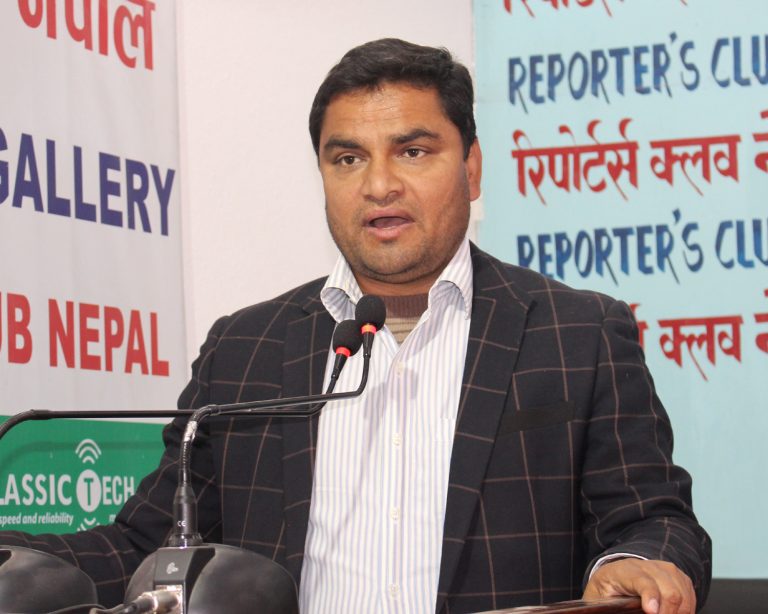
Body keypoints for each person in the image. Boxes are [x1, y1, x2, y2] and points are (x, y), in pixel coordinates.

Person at [1, 39, 710, 613]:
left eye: (413, 151)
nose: (378, 185)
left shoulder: (578, 333)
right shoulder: (243, 348)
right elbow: (146, 546)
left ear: (471, 168)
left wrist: (638, 562)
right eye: (348, 158)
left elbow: (653, 518)